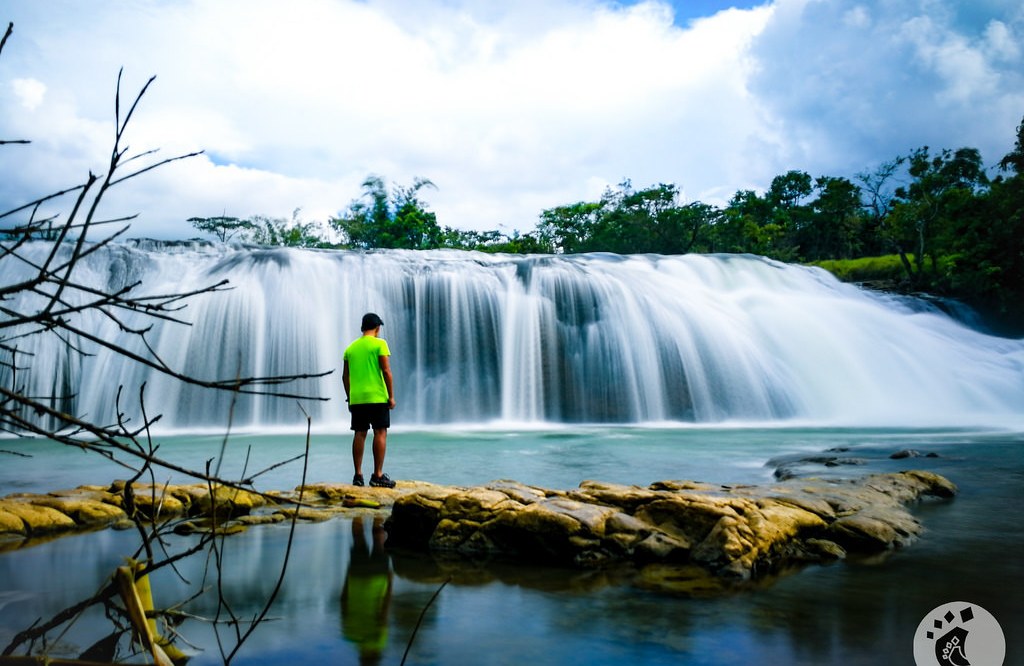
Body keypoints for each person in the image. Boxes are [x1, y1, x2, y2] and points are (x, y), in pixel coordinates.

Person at [342, 312, 397, 488]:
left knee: (360, 433)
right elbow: (387, 371)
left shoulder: (350, 348)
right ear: (377, 328)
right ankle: (377, 476)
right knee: (380, 432)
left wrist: (350, 396)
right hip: (377, 396)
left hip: (357, 398)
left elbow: (345, 376)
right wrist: (391, 396)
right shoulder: (380, 344)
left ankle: (358, 476)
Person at [341, 516, 393, 665]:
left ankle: (376, 514)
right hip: (356, 577)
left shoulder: (378, 641)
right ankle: (357, 513)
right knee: (358, 538)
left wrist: (390, 582)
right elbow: (343, 602)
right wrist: (347, 577)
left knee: (379, 542)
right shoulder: (350, 635)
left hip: (377, 578)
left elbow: (384, 612)